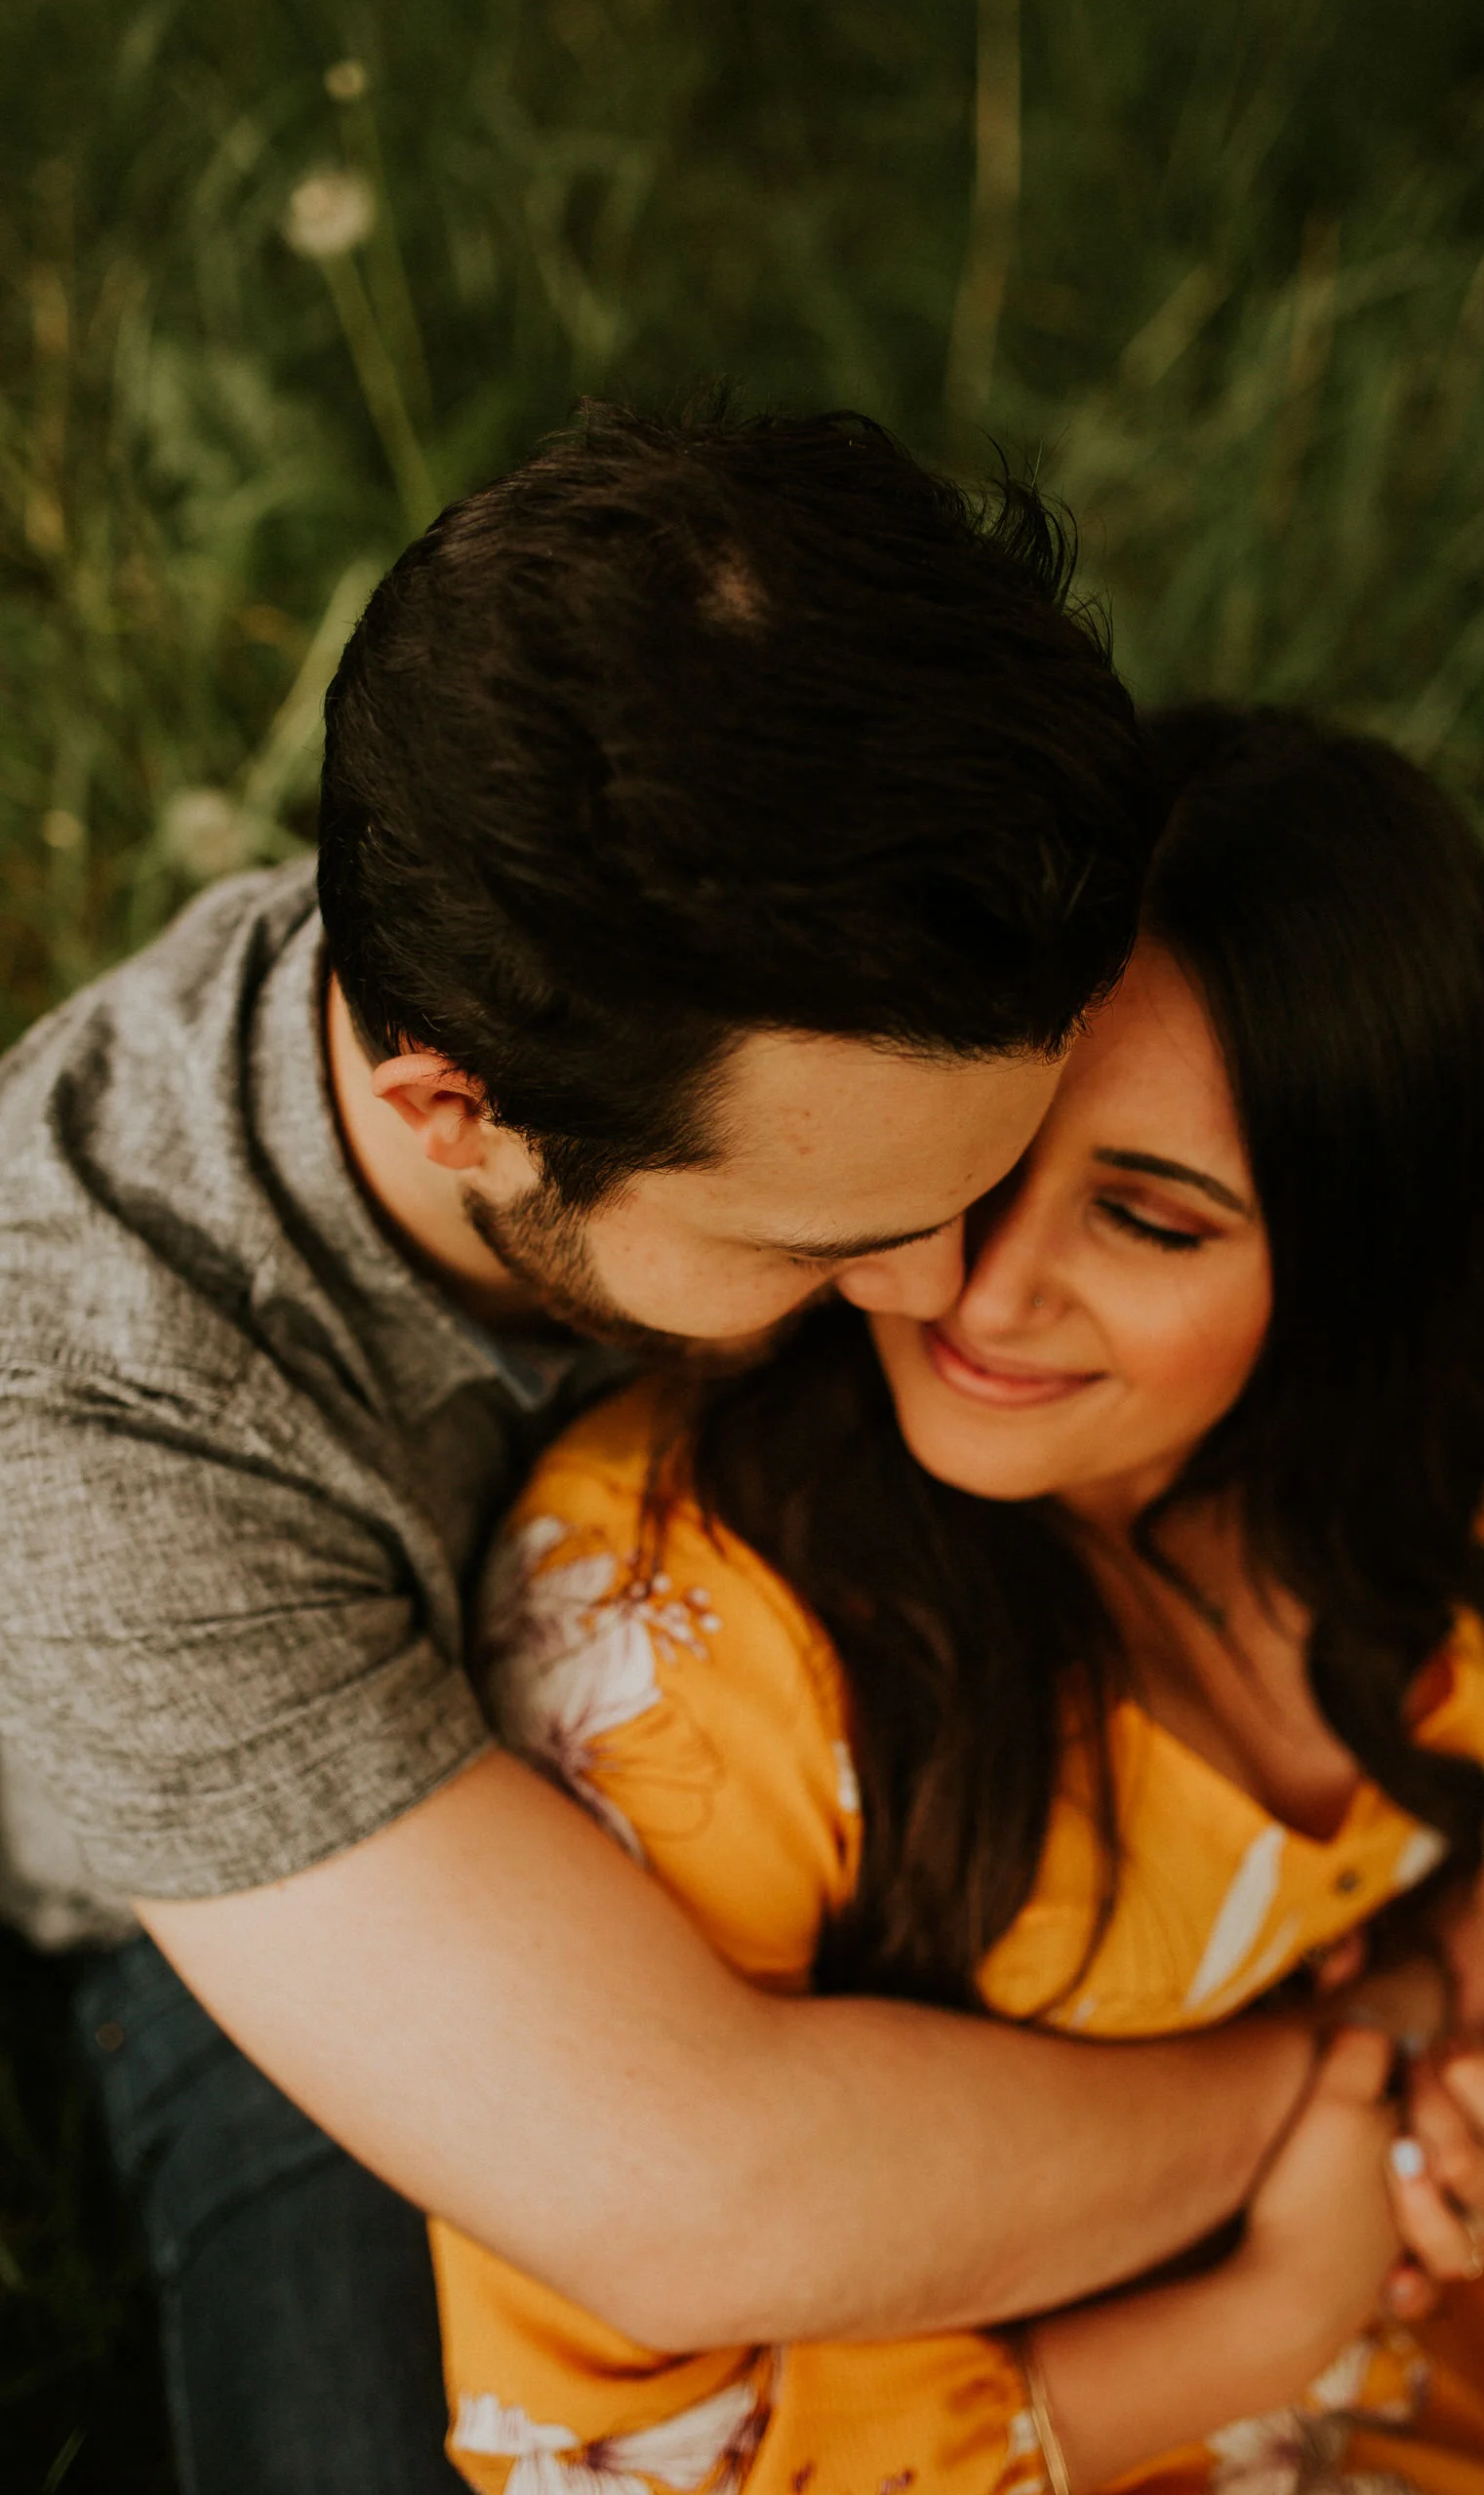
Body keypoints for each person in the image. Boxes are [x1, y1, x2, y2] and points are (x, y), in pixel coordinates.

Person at [0, 408, 1334, 2495]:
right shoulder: (95, 1428)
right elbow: (689, 2186)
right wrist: (1313, 2095)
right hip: (295, 1879)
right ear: (452, 1111)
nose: (940, 1297)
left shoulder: (821, 902)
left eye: (1001, 1169)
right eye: (828, 1240)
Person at [433, 706, 1484, 2494]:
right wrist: (1268, 2314)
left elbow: (1433, 1904)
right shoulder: (680, 1639)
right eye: (983, 1150)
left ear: (1354, 1259)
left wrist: (1435, 2027)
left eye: (1149, 1222)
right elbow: (613, 2458)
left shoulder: (1367, 1467)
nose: (981, 1285)